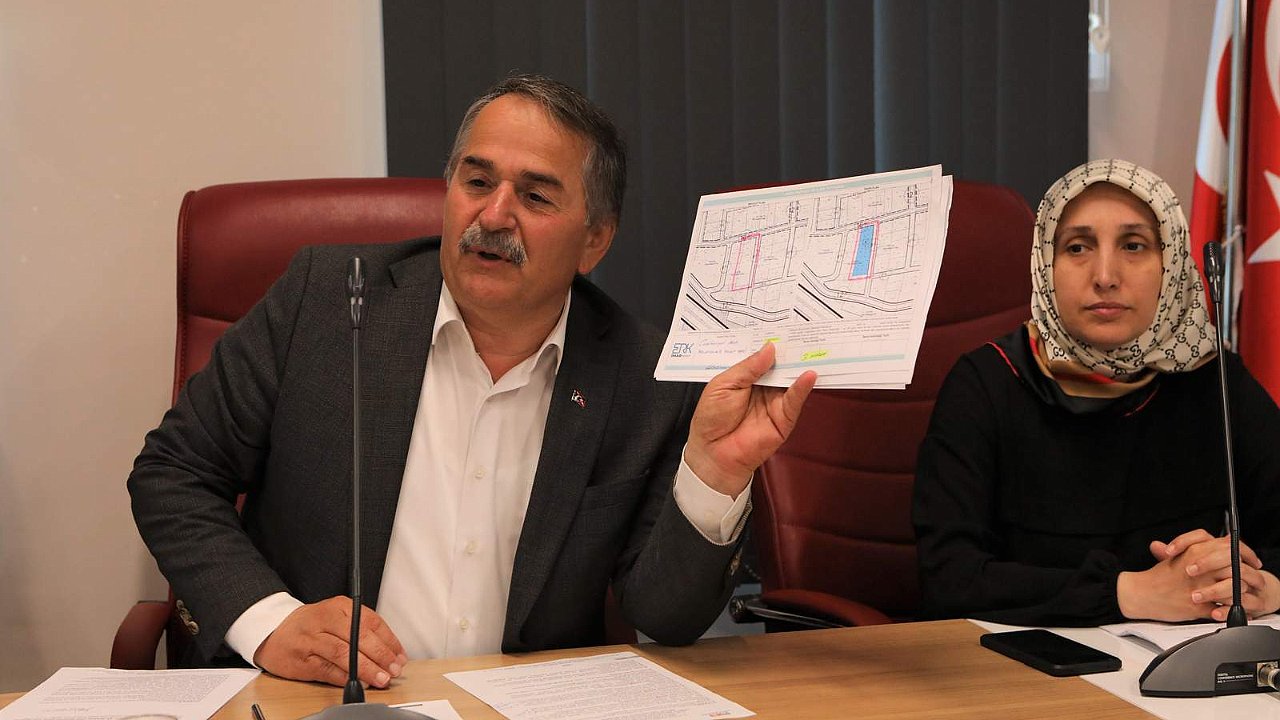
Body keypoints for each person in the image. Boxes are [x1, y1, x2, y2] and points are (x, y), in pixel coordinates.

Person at [129, 74, 816, 686]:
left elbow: (667, 616)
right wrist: (269, 621)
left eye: (535, 196)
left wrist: (714, 473)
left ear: (595, 240)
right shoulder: (327, 302)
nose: (492, 216)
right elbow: (174, 472)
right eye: (477, 182)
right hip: (311, 701)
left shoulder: (644, 375)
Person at [913, 159, 1280, 627]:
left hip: (1182, 662)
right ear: (1046, 265)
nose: (1105, 275)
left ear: (1170, 263)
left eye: (1133, 245)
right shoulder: (986, 383)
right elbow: (948, 579)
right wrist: (1129, 593)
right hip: (1016, 659)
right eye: (1078, 247)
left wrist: (1264, 586)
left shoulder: (1213, 378)